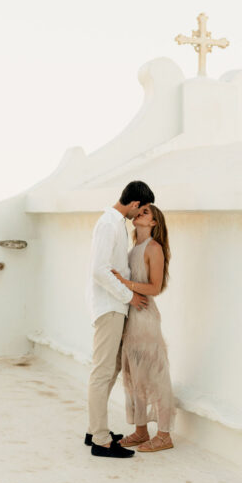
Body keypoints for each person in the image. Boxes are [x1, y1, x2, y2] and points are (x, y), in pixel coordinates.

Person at [85, 180, 154, 459]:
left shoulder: (115, 224)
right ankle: (100, 440)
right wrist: (129, 297)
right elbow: (99, 270)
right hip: (110, 306)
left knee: (110, 369)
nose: (140, 215)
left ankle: (95, 430)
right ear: (135, 203)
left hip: (115, 306)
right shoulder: (109, 224)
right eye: (143, 209)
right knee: (102, 372)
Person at [111, 204, 175, 453]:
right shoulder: (133, 248)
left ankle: (164, 434)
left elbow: (155, 288)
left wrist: (125, 284)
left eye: (146, 212)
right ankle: (140, 430)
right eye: (141, 210)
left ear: (154, 223)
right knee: (134, 376)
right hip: (131, 316)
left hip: (145, 317)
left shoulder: (154, 248)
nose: (140, 213)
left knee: (155, 376)